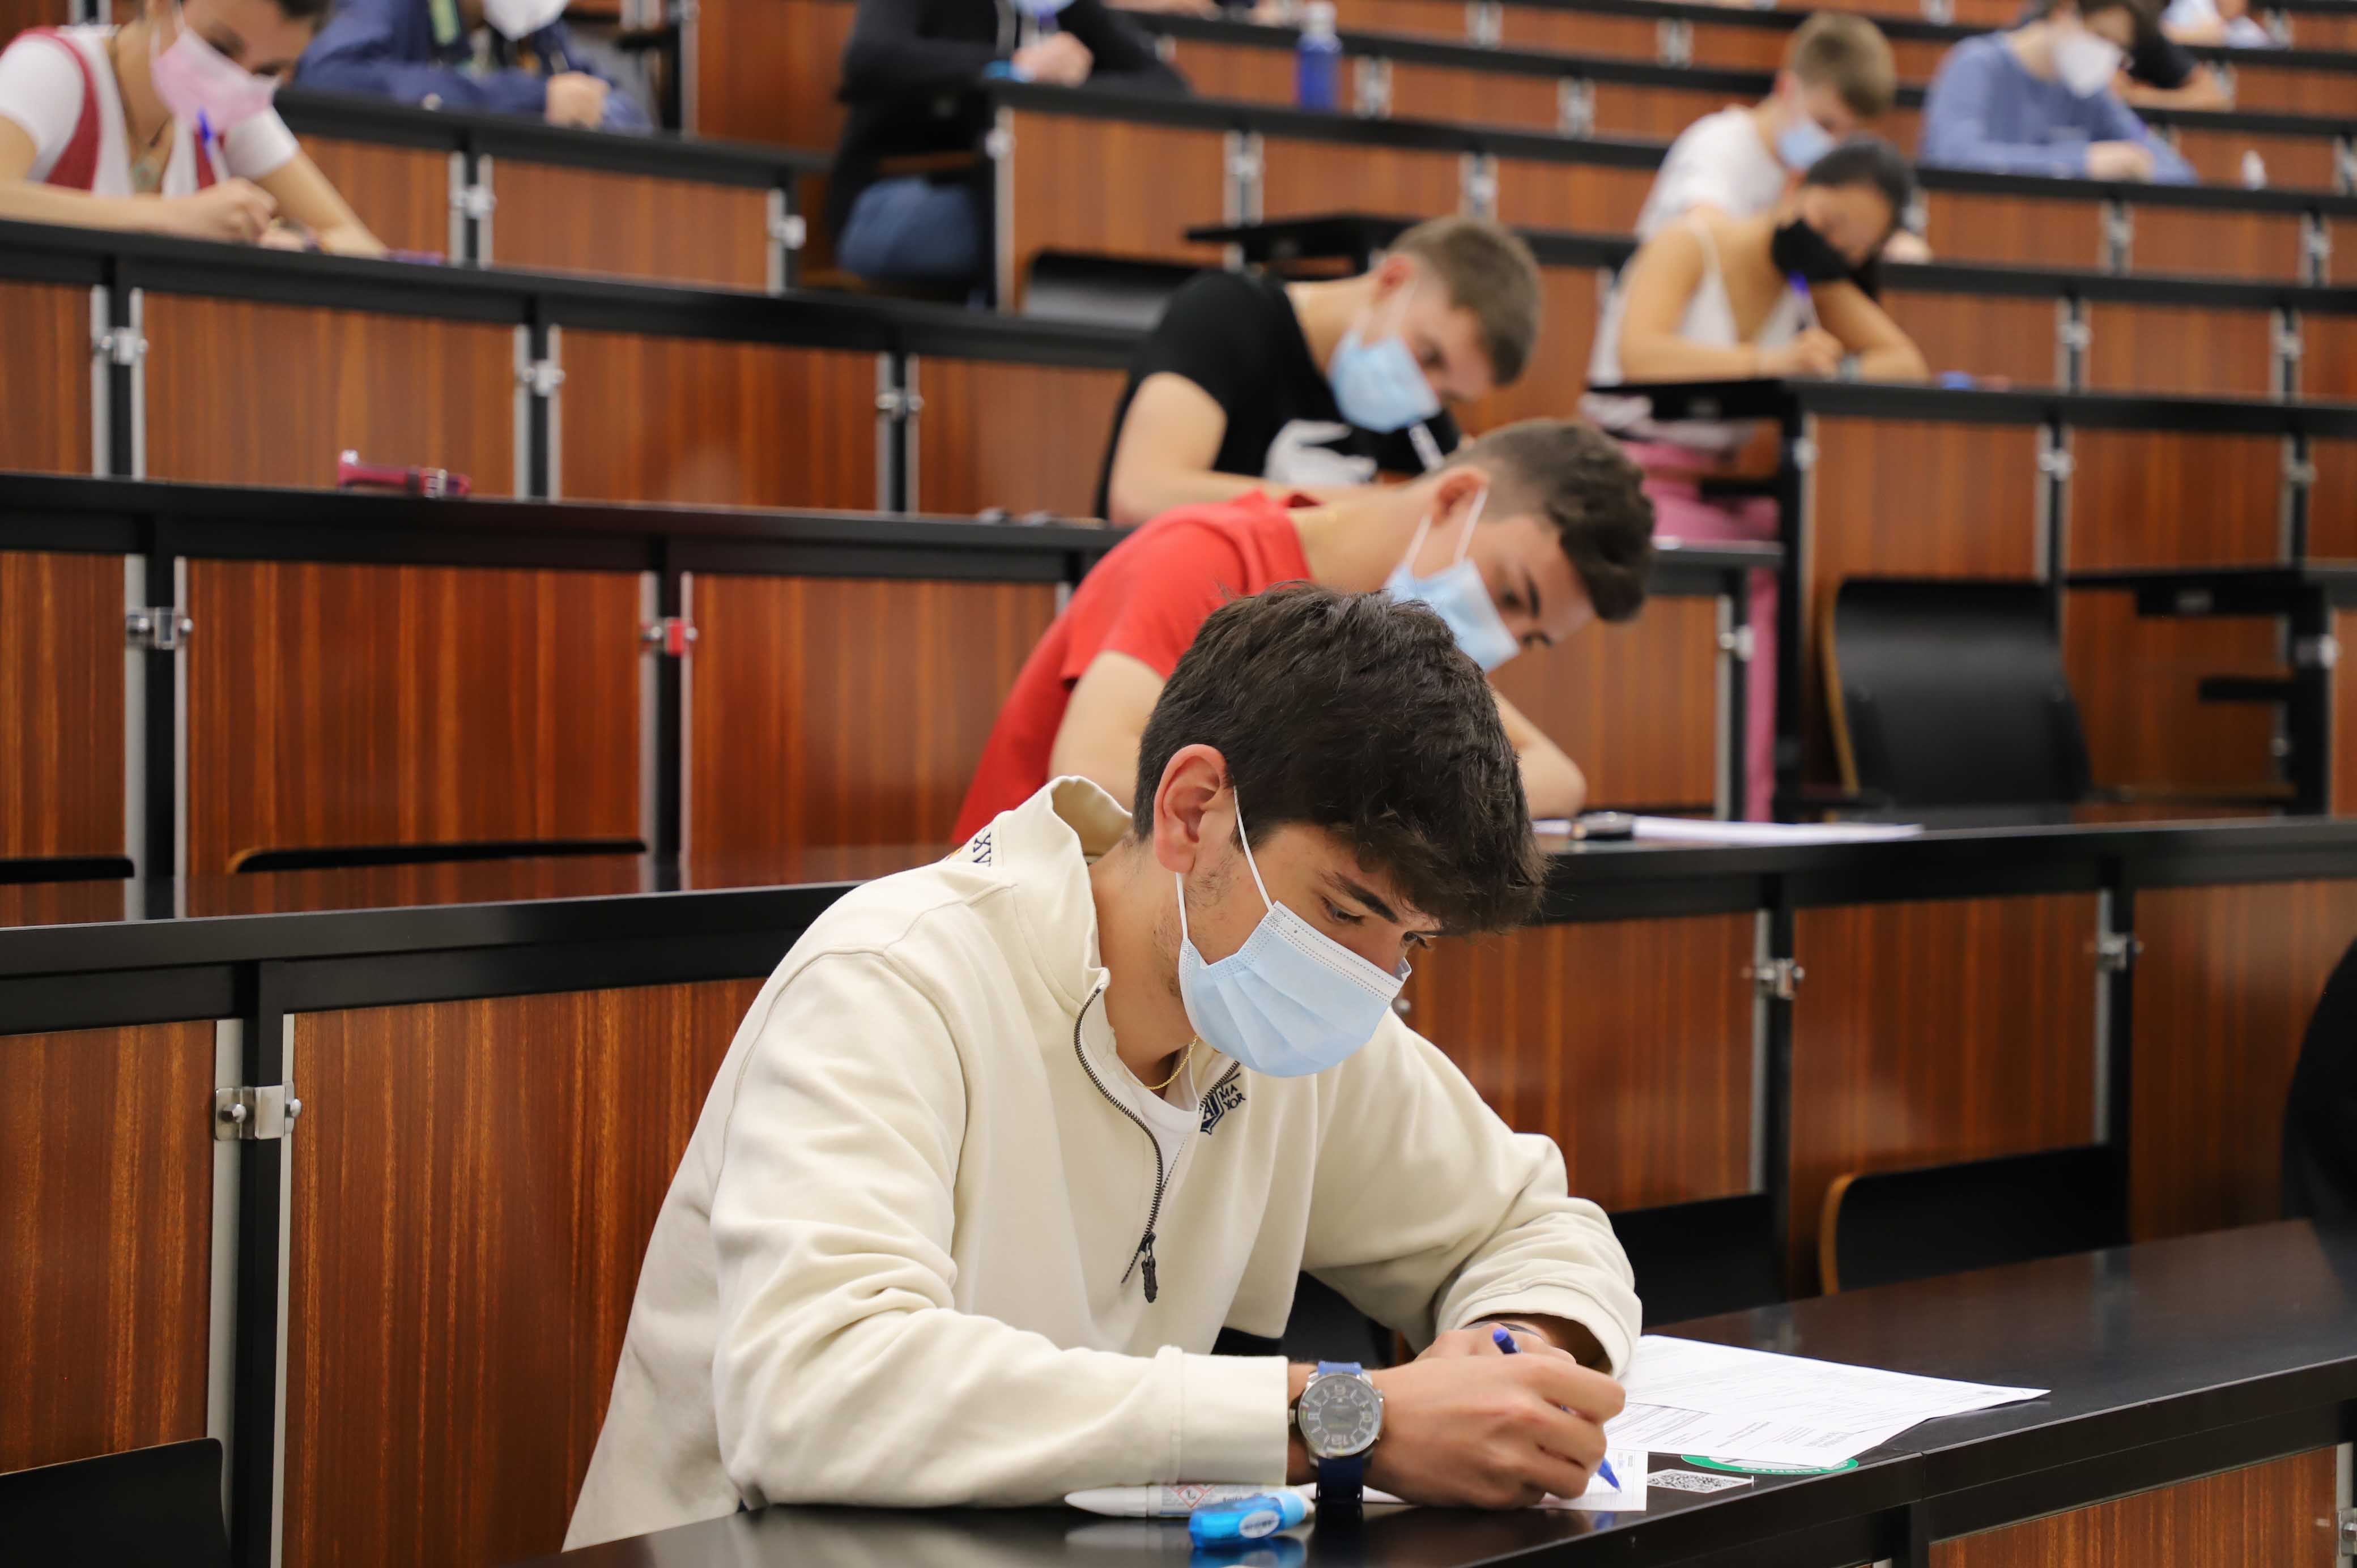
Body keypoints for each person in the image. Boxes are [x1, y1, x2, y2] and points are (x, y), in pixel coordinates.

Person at [565, 584, 1641, 1547]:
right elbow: (817, 1395)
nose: (1373, 976)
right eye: (1348, 909)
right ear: (1192, 810)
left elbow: (1529, 1220)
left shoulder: (1280, 1012)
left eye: (1411, 938)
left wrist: (1523, 1362)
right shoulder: (891, 978)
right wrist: (1350, 1417)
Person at [959, 419, 1654, 833]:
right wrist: (1346, 815)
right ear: (1455, 497)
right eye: (1509, 593)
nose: (1499, 637)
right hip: (1034, 944)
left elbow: (1550, 774)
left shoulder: (1392, 635)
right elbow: (1095, 773)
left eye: (1529, 637)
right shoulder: (1207, 557)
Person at [1584, 138, 1929, 820]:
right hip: (1620, 471)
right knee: (1750, 563)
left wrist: (1836, 368)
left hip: (1717, 484)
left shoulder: (1811, 278)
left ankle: (1769, 798)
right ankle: (1720, 797)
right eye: (1827, 223)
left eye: (1851, 248)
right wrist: (1771, 359)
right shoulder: (1690, 243)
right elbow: (1639, 353)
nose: (1831, 245)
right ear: (1796, 186)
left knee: (1816, 545)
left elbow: (1904, 362)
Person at [1096, 215, 1539, 526]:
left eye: (1449, 396)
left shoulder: (1411, 408)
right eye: (1428, 356)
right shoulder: (1226, 313)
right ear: (1392, 281)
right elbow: (1142, 493)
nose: (1426, 394)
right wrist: (1368, 509)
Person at [832, 0, 1185, 291]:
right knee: (1038, 227)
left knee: (1101, 224)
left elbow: (1167, 85)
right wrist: (1012, 67)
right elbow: (868, 58)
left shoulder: (1065, 9)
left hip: (1032, 201)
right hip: (897, 199)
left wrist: (1073, 83)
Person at [0, 0, 383, 252]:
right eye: (219, 47)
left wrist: (291, 242)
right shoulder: (51, 69)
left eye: (267, 71)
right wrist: (169, 218)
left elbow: (361, 245)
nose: (234, 79)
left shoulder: (233, 109)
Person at [1635, 12, 1927, 261]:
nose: (1835, 145)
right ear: (1787, 89)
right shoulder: (1716, 146)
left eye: (1850, 133)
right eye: (1825, 124)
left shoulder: (1814, 179)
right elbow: (1704, 235)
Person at [1919, 0, 2194, 184]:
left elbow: (2178, 173)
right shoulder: (1975, 64)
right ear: (2064, 11)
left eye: (2118, 49)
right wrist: (2082, 162)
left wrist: (2136, 163)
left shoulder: (2089, 93)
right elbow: (1954, 158)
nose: (2106, 55)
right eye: (2101, 37)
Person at [297, 0, 651, 131]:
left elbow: (629, 115)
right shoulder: (388, 7)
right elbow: (328, 77)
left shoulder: (535, 27)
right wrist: (524, 99)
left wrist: (595, 111)